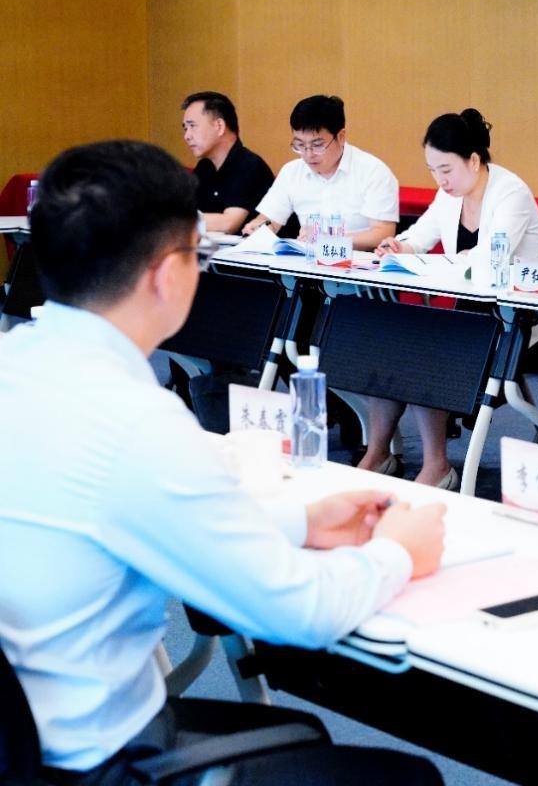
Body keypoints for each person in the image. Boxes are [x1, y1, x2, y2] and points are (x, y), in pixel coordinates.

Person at [0, 140, 446, 784]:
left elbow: (115, 515)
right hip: (99, 761)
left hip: (28, 741)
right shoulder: (137, 422)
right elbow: (299, 612)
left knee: (304, 740)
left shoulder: (18, 368)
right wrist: (399, 551)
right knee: (405, 779)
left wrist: (298, 523)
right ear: (166, 273)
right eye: (199, 255)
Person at [362, 108, 538, 487]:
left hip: (520, 315)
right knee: (395, 346)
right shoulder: (449, 195)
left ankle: (437, 466)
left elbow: (489, 258)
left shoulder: (510, 192)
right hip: (472, 310)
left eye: (446, 169)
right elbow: (420, 236)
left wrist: (453, 259)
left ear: (474, 161)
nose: (440, 180)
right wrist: (399, 246)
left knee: (428, 352)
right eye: (433, 170)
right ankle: (377, 453)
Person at [243, 95, 398, 251]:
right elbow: (269, 219)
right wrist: (258, 228)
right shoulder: (291, 172)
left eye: (317, 145)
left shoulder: (374, 172)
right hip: (306, 261)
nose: (308, 155)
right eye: (300, 145)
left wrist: (331, 238)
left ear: (341, 137)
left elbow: (382, 233)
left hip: (357, 262)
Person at [181, 91, 274, 234]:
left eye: (192, 126)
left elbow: (228, 224)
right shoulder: (205, 167)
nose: (187, 136)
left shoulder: (248, 165)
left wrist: (171, 221)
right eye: (185, 128)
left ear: (219, 126)